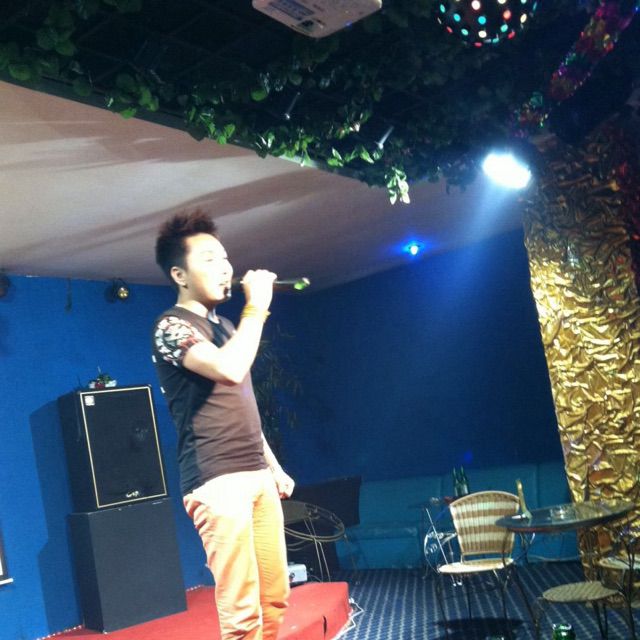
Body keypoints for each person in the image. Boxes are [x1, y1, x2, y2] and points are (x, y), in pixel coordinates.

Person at [151, 210, 294, 640]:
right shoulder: (171, 327)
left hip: (256, 473)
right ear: (179, 274)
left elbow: (242, 404)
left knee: (274, 598)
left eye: (225, 258)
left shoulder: (229, 326)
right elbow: (229, 370)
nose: (225, 267)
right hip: (216, 479)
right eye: (210, 259)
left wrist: (273, 467)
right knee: (243, 615)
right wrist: (258, 306)